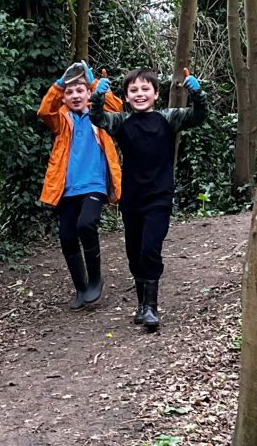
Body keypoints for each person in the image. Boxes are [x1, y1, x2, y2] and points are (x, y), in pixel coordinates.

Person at [89, 67, 209, 330]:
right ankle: (142, 305)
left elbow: (199, 116)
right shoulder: (121, 122)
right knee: (134, 253)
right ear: (127, 96)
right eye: (133, 90)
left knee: (150, 249)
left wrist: (196, 93)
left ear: (156, 93)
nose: (140, 94)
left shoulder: (168, 118)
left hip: (160, 197)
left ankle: (152, 309)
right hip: (132, 199)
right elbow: (97, 117)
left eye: (145, 89)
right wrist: (97, 96)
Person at [37, 61, 122, 311]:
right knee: (66, 236)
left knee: (86, 224)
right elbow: (44, 111)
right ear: (64, 97)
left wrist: (95, 84)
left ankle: (95, 280)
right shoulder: (62, 120)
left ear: (88, 94)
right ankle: (81, 288)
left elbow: (116, 108)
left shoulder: (99, 116)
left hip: (94, 185)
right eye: (70, 92)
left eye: (80, 90)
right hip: (67, 188)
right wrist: (59, 84)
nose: (75, 95)